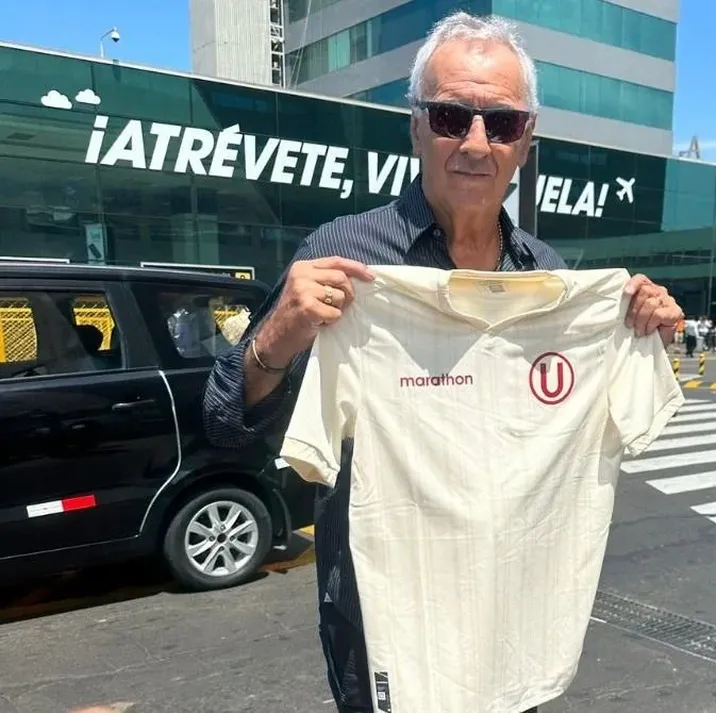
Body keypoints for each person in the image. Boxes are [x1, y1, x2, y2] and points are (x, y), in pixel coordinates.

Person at [202, 12, 684, 713]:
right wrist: (276, 336)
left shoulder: (550, 280)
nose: (477, 143)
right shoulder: (344, 259)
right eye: (453, 115)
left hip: (515, 635)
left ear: (527, 142)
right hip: (390, 637)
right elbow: (226, 426)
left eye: (504, 123)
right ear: (417, 126)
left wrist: (641, 335)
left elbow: (625, 425)